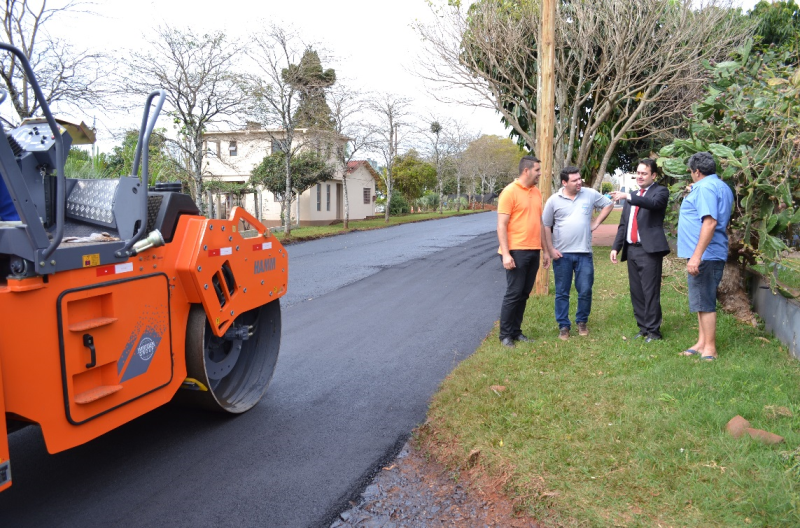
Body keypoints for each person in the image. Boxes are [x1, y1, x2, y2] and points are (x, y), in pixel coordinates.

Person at [543, 167, 614, 340]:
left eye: (580, 179)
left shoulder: (589, 194)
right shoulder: (553, 200)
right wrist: (550, 250)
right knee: (562, 292)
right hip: (562, 255)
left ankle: (582, 321)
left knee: (585, 290)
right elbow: (545, 225)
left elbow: (608, 204)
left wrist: (596, 222)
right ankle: (563, 326)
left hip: (584, 253)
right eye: (574, 180)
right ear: (564, 182)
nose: (579, 182)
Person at [676, 152, 734, 360]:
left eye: (691, 172)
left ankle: (710, 348)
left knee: (706, 301)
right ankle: (701, 342)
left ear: (697, 171)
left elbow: (710, 222)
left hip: (705, 254)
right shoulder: (719, 186)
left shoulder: (705, 188)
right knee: (701, 299)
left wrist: (696, 257)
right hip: (710, 252)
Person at [609, 159, 670, 342]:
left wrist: (628, 197)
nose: (639, 176)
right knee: (636, 291)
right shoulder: (633, 195)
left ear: (653, 175)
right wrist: (615, 247)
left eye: (644, 173)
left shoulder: (660, 192)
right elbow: (623, 225)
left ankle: (654, 332)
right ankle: (643, 328)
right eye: (637, 173)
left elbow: (652, 204)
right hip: (632, 250)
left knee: (650, 291)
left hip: (649, 251)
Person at [496, 155, 551, 348]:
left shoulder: (536, 192)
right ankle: (505, 335)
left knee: (524, 293)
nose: (540, 173)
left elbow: (540, 223)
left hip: (533, 250)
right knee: (514, 293)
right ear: (526, 171)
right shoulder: (509, 192)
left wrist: (545, 250)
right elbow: (501, 226)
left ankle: (516, 332)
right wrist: (506, 253)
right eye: (537, 170)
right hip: (516, 250)